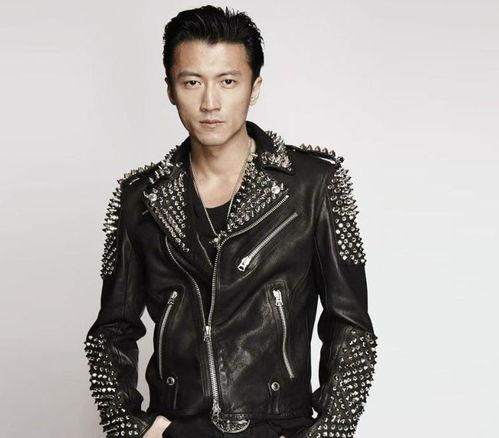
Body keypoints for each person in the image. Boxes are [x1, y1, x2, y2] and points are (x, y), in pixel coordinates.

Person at [83, 5, 378, 438]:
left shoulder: (314, 186)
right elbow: (111, 332)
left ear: (254, 87)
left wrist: (328, 430)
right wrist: (133, 427)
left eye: (227, 81)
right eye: (192, 82)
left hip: (278, 427)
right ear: (170, 89)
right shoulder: (140, 199)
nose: (210, 103)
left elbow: (351, 327)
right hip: (177, 428)